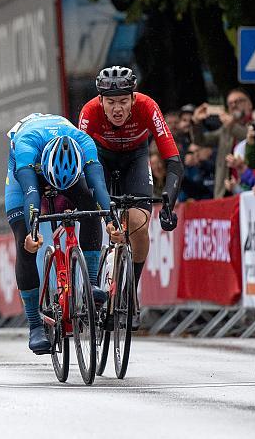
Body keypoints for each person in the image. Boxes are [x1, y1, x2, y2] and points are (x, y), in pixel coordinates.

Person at [79, 66, 183, 330]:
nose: (117, 108)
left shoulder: (148, 106)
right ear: (100, 100)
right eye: (111, 102)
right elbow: (81, 162)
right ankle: (94, 284)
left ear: (134, 99)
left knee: (138, 223)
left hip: (135, 158)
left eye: (124, 101)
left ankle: (130, 292)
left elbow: (173, 161)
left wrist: (169, 200)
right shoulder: (89, 112)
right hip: (99, 159)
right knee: (104, 215)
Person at [5, 113, 114, 354]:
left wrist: (110, 219)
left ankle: (91, 283)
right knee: (24, 240)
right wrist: (33, 231)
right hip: (28, 176)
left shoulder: (84, 142)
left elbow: (99, 188)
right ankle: (34, 325)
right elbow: (31, 194)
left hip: (70, 173)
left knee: (90, 208)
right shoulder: (26, 146)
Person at [191, 88, 251, 198]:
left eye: (238, 101)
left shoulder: (253, 124)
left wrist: (231, 125)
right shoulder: (225, 129)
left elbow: (249, 137)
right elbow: (201, 140)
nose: (233, 105)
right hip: (225, 192)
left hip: (250, 189)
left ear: (249, 104)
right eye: (230, 103)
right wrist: (197, 122)